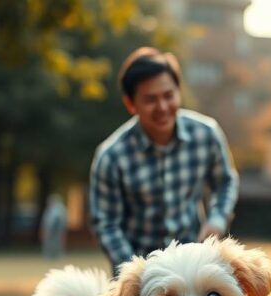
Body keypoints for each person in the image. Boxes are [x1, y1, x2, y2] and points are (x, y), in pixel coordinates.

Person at [88, 47, 239, 275]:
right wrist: (137, 272)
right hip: (137, 271)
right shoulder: (111, 156)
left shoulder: (207, 134)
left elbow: (225, 181)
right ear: (131, 104)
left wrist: (217, 220)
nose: (162, 107)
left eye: (168, 95)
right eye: (150, 99)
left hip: (193, 266)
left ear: (179, 91)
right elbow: (107, 224)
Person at [40, 194, 68, 260]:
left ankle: (56, 257)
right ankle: (50, 257)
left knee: (55, 244)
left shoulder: (59, 210)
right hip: (52, 230)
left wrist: (49, 230)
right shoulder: (50, 210)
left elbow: (57, 222)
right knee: (50, 244)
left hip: (55, 231)